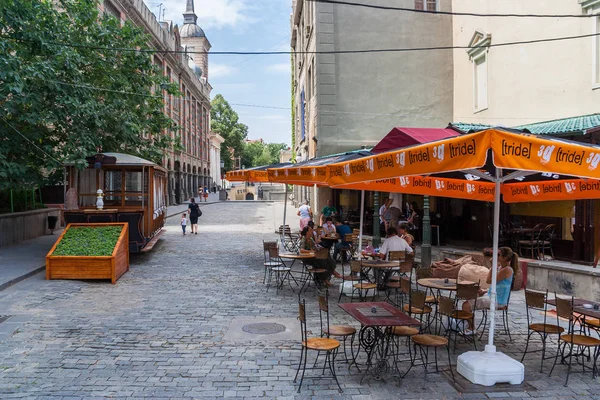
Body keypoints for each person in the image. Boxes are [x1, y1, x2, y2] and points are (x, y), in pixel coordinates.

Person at [461, 246, 518, 334]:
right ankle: (466, 323)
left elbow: (489, 281)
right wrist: (485, 290)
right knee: (469, 298)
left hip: (497, 301)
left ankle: (471, 328)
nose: (496, 256)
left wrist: (492, 266)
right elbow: (497, 285)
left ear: (505, 257)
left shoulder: (507, 270)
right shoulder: (501, 268)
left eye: (498, 255)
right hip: (492, 295)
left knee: (466, 306)